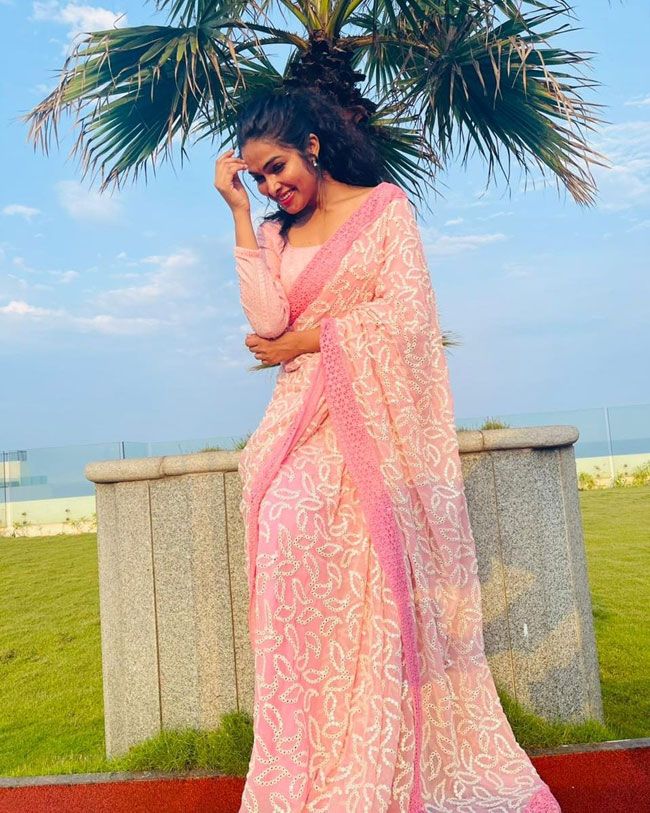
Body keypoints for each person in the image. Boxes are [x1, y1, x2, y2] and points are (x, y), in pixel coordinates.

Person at [214, 88, 561, 813]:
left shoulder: (384, 210)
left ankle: (377, 740)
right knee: (284, 534)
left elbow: (406, 316)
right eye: (258, 177)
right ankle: (308, 752)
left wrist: (310, 338)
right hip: (300, 422)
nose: (272, 185)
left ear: (312, 147)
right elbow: (267, 320)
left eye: (278, 168)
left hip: (373, 428)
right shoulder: (274, 231)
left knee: (374, 579)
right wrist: (240, 215)